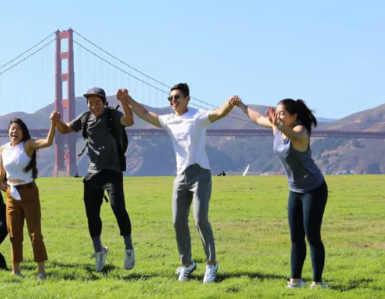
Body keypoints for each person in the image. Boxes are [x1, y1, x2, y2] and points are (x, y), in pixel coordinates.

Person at [120, 84, 239, 283]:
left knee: (200, 220)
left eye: (177, 97)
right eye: (170, 98)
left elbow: (218, 113)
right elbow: (143, 112)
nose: (173, 101)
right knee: (177, 222)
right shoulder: (168, 120)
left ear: (187, 98)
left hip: (200, 173)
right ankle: (187, 264)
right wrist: (127, 99)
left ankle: (211, 264)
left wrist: (231, 102)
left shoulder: (198, 116)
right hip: (181, 176)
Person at [237, 99, 329, 289]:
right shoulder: (277, 127)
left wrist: (277, 124)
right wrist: (242, 106)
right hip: (295, 190)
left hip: (314, 189)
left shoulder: (300, 131)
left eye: (282, 113)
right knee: (295, 236)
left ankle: (317, 283)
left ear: (294, 116)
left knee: (312, 236)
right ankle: (295, 280)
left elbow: (292, 136)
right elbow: (258, 118)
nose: (278, 116)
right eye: (277, 113)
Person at [54, 87, 136, 272]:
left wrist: (124, 101)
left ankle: (129, 248)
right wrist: (56, 121)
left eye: (97, 102)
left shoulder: (112, 115)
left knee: (118, 208)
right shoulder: (85, 118)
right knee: (92, 214)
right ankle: (99, 251)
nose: (94, 106)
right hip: (93, 173)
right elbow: (65, 129)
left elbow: (129, 121)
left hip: (113, 171)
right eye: (91, 102)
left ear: (104, 102)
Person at [0, 113, 59, 280]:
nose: (15, 131)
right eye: (12, 128)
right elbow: (2, 169)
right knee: (14, 233)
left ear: (23, 132)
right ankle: (15, 270)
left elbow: (47, 142)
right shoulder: (3, 148)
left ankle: (41, 271)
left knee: (35, 233)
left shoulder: (28, 145)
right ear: (8, 131)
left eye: (18, 129)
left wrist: (53, 123)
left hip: (29, 192)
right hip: (11, 193)